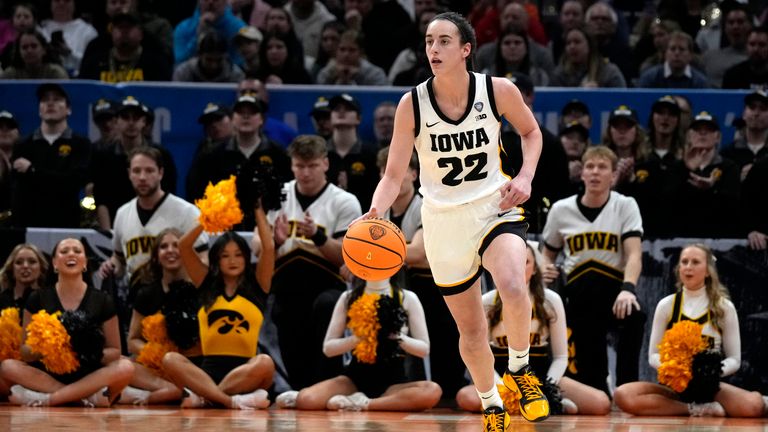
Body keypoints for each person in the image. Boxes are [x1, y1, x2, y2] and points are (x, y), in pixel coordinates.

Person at [365, 12, 549, 429]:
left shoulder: (498, 90)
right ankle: (491, 405)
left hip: (492, 206)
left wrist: (524, 177)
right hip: (443, 221)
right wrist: (377, 210)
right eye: (429, 41)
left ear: (467, 49)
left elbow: (532, 133)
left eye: (444, 41)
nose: (434, 49)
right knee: (471, 330)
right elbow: (394, 174)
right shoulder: (411, 103)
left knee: (514, 284)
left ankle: (520, 372)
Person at [456, 242, 611, 415]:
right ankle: (547, 407)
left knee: (601, 403)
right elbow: (479, 354)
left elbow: (560, 357)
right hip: (500, 377)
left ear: (536, 268)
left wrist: (548, 386)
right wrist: (502, 388)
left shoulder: (551, 301)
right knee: (465, 397)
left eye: (526, 262)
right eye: (511, 262)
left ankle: (541, 402)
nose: (518, 267)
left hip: (542, 377)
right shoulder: (486, 302)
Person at [259, 135, 362, 391]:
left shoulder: (345, 201)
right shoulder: (279, 195)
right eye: (299, 166)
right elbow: (256, 247)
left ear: (326, 164)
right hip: (286, 284)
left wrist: (317, 236)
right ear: (291, 166)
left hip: (327, 283)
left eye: (312, 166)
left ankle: (327, 385)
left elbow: (348, 256)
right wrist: (275, 240)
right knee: (283, 310)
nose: (305, 173)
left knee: (325, 305)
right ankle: (299, 388)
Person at [614, 244, 765, 418]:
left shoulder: (724, 307)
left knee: (754, 406)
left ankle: (753, 400)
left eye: (695, 262)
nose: (688, 267)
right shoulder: (666, 305)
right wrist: (674, 370)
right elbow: (653, 355)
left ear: (708, 270)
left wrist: (712, 372)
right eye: (684, 262)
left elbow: (735, 359)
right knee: (623, 395)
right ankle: (696, 409)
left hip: (709, 386)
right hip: (674, 387)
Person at [541, 146, 645, 396]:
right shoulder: (561, 210)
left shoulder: (625, 205)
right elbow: (547, 253)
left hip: (614, 290)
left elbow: (634, 254)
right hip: (578, 293)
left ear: (612, 175)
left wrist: (628, 289)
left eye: (602, 167)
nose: (595, 172)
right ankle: (597, 388)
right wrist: (545, 268)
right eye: (590, 167)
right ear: (582, 174)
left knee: (635, 316)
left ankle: (627, 386)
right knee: (592, 380)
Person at [161, 205, 275, 410]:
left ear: (247, 258)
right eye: (225, 255)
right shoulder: (206, 284)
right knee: (170, 359)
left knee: (265, 362)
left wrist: (257, 208)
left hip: (246, 372)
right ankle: (228, 401)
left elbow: (268, 247)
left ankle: (207, 397)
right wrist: (207, 218)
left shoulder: (258, 286)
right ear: (216, 260)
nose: (232, 260)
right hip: (207, 373)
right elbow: (184, 246)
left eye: (238, 254)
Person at [0, 238, 134, 407]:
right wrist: (50, 348)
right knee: (8, 366)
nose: (71, 254)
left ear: (85, 262)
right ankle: (83, 397)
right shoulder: (37, 298)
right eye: (64, 251)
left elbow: (115, 350)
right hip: (48, 374)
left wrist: (85, 352)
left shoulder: (103, 300)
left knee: (125, 366)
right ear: (55, 263)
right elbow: (25, 352)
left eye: (77, 251)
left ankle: (50, 399)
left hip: (89, 373)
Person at [277, 277, 442, 411]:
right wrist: (358, 338)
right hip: (354, 378)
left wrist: (397, 336)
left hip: (393, 382)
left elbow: (424, 349)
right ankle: (303, 396)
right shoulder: (348, 297)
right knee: (307, 400)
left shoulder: (407, 298)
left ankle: (363, 403)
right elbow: (328, 348)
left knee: (432, 391)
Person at [98, 147, 207, 288]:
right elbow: (119, 260)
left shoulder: (187, 212)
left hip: (177, 297)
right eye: (136, 171)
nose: (142, 177)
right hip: (137, 299)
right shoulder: (122, 213)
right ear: (129, 174)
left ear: (160, 173)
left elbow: (203, 259)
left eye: (149, 171)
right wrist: (111, 266)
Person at [186, 94, 291, 230]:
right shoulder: (211, 156)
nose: (245, 117)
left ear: (262, 120)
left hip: (268, 229)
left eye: (252, 112)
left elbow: (289, 194)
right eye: (240, 112)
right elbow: (196, 193)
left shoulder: (279, 154)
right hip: (223, 231)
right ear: (232, 119)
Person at [120, 228, 200, 405]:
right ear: (156, 256)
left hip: (193, 367)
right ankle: (173, 391)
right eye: (163, 247)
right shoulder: (146, 293)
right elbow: (132, 340)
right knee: (121, 364)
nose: (170, 250)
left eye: (177, 245)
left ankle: (149, 396)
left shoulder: (201, 290)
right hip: (157, 368)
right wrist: (157, 354)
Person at [11, 83, 91, 229]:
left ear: (69, 109)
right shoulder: (23, 144)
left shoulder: (81, 144)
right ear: (39, 110)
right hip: (28, 223)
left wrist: (32, 171)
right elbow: (21, 188)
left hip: (66, 222)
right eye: (45, 100)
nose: (50, 103)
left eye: (57, 99)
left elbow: (72, 183)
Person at [90, 96, 177, 230]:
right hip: (116, 226)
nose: (131, 123)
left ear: (144, 122)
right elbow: (102, 200)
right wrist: (108, 235)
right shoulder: (104, 156)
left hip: (154, 227)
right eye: (125, 117)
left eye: (136, 118)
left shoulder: (161, 155)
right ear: (116, 121)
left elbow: (169, 196)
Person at [0, 243, 48, 399]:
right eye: (19, 262)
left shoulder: (49, 300)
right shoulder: (2, 300)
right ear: (11, 269)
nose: (25, 266)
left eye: (32, 262)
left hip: (36, 368)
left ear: (41, 268)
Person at [0, 29, 69, 79]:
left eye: (34, 46)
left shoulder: (55, 73)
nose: (29, 51)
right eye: (24, 47)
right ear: (19, 52)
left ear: (44, 50)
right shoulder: (10, 75)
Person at [0, 110, 20, 223]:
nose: (4, 130)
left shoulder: (28, 162)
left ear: (18, 132)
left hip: (19, 223)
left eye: (10, 126)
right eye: (0, 127)